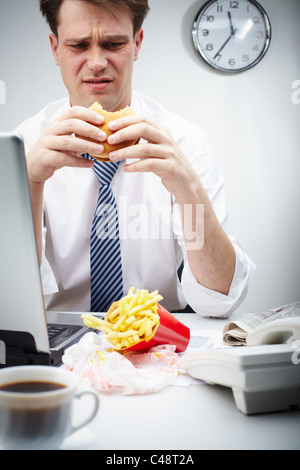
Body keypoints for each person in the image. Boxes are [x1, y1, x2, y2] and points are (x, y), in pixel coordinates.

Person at [15, 0, 255, 317]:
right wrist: (27, 186)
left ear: (137, 43)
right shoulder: (22, 146)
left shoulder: (183, 142)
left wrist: (189, 193)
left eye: (113, 44)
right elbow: (11, 300)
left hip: (159, 341)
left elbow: (220, 298)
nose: (97, 62)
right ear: (55, 49)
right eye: (79, 45)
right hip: (58, 344)